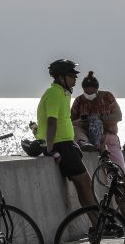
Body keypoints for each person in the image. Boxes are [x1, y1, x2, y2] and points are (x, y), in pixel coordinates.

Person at [38, 60, 97, 210]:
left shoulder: (63, 93)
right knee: (85, 182)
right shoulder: (54, 93)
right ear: (60, 77)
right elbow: (51, 121)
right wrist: (50, 148)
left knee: (83, 185)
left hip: (68, 143)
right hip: (61, 144)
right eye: (71, 75)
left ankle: (95, 223)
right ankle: (98, 222)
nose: (75, 78)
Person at [70, 71, 125, 170]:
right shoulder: (78, 101)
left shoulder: (107, 97)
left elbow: (118, 116)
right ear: (83, 89)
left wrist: (100, 119)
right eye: (87, 92)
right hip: (87, 135)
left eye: (91, 93)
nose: (89, 95)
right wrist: (79, 122)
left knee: (120, 169)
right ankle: (85, 144)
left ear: (97, 89)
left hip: (108, 137)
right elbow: (69, 122)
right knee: (75, 128)